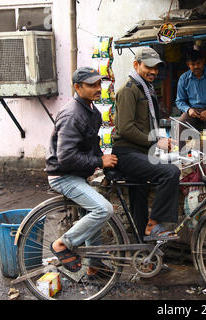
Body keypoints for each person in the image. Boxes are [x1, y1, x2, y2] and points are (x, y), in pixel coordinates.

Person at [45, 67, 118, 274]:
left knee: (92, 213)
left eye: (99, 84)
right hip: (63, 176)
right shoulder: (72, 115)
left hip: (78, 175)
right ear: (78, 87)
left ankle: (94, 266)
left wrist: (104, 159)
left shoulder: (92, 111)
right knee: (103, 209)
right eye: (92, 85)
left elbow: (91, 145)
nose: (98, 89)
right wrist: (99, 161)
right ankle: (62, 244)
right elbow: (66, 157)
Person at [112, 47, 181, 241]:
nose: (153, 71)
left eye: (156, 68)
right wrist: (156, 141)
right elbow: (125, 129)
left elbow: (148, 123)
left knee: (139, 203)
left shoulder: (146, 88)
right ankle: (154, 223)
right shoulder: (128, 90)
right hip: (127, 153)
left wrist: (160, 142)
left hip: (140, 152)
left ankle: (144, 253)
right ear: (136, 65)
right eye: (148, 67)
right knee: (170, 172)